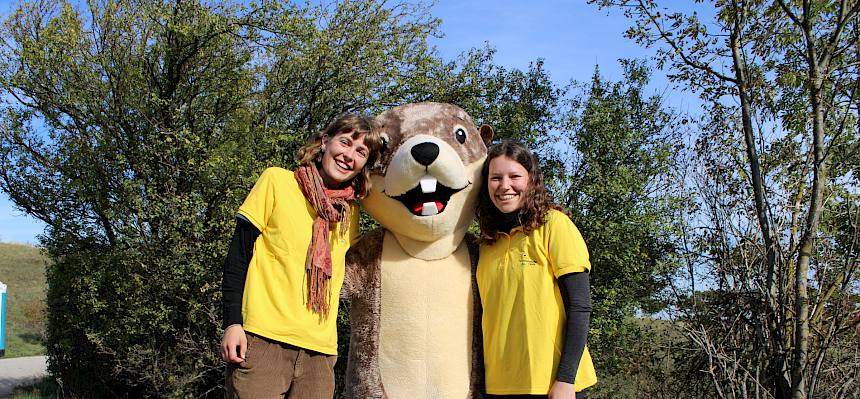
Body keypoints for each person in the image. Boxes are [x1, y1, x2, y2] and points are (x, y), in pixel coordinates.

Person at [220, 113, 384, 398]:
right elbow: (238, 258)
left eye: (361, 152)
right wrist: (232, 323)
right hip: (262, 340)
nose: (349, 156)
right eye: (345, 143)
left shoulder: (350, 213)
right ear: (324, 142)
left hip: (319, 354)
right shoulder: (277, 182)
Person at [476, 140, 597, 399]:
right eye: (495, 177)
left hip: (552, 386)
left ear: (531, 180)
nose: (504, 185)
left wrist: (566, 380)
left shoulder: (555, 225)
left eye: (514, 176)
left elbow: (580, 306)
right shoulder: (486, 242)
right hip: (496, 387)